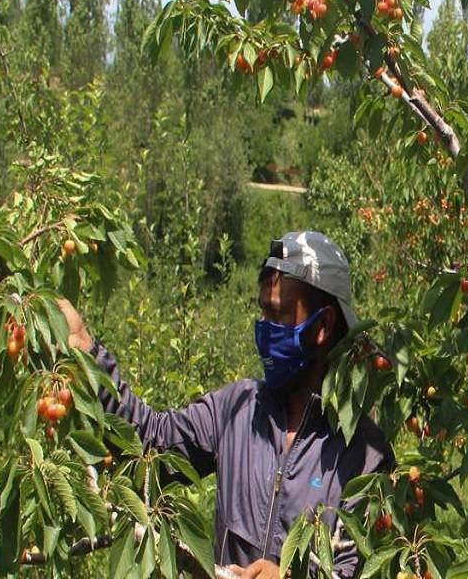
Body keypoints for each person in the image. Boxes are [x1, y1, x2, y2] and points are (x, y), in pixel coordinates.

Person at [59, 231, 394, 578]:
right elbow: (150, 443)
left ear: (322, 325)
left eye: (277, 314)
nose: (264, 328)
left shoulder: (364, 455)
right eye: (262, 311)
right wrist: (88, 355)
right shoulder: (237, 409)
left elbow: (360, 568)